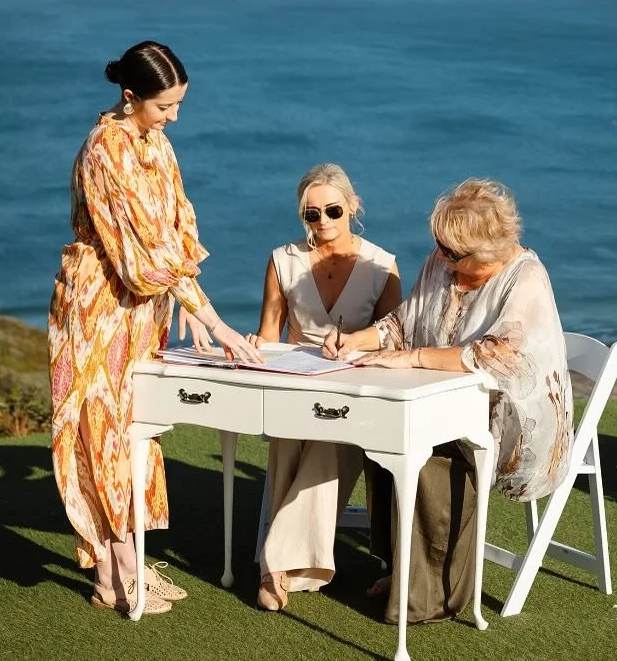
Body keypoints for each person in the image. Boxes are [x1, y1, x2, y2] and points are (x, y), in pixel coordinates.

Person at [49, 41, 262, 616]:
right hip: (99, 307)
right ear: (129, 97)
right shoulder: (105, 151)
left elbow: (175, 225)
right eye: (165, 106)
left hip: (142, 308)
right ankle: (111, 578)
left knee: (134, 429)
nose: (173, 117)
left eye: (177, 104)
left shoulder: (155, 142)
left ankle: (132, 562)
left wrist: (188, 304)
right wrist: (215, 320)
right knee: (105, 435)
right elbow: (143, 253)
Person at [324, 178, 572, 623]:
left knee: (426, 457)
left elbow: (499, 355)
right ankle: (402, 570)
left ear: (491, 250)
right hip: (442, 400)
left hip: (504, 415)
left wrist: (411, 358)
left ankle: (431, 595)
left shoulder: (525, 276)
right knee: (380, 442)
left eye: (455, 254)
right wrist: (355, 341)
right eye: (441, 247)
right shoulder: (442, 262)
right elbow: (401, 323)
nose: (443, 258)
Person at [241, 163, 401, 611]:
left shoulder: (381, 265)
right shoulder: (281, 260)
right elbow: (269, 335)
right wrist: (257, 345)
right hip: (294, 382)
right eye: (312, 215)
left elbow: (397, 338)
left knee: (331, 440)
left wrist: (356, 351)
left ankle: (275, 564)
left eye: (333, 210)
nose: (324, 221)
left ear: (353, 206)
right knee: (291, 437)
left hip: (356, 390)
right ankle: (289, 560)